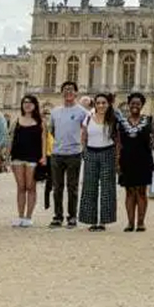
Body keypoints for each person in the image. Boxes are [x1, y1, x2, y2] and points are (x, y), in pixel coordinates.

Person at [117, 92, 154, 232]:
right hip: (126, 159)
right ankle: (130, 223)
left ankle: (141, 222)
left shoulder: (149, 120)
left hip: (143, 159)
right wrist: (117, 161)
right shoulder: (122, 122)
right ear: (128, 104)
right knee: (129, 191)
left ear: (142, 105)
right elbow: (118, 143)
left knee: (142, 191)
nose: (135, 106)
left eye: (138, 103)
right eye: (132, 103)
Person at [49, 81, 90, 228]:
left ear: (76, 93)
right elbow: (52, 131)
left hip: (74, 153)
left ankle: (72, 217)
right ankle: (58, 216)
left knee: (72, 187)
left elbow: (86, 131)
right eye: (65, 90)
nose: (68, 92)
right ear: (62, 93)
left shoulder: (82, 112)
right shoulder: (55, 111)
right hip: (57, 153)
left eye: (71, 90)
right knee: (57, 187)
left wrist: (80, 145)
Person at [79, 93, 119, 231]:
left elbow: (118, 139)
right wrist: (83, 150)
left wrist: (118, 157)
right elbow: (83, 135)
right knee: (89, 187)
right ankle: (91, 220)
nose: (101, 105)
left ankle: (103, 221)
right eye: (98, 103)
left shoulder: (113, 119)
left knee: (107, 188)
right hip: (91, 152)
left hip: (108, 152)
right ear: (95, 104)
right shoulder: (88, 118)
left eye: (104, 103)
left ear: (108, 104)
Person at [9, 95, 46, 227]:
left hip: (33, 157)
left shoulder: (40, 121)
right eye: (25, 102)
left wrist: (43, 157)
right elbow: (11, 139)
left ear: (35, 105)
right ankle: (20, 216)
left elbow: (43, 140)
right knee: (21, 187)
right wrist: (7, 156)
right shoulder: (17, 120)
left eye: (30, 102)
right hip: (17, 156)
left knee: (31, 187)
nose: (27, 104)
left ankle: (28, 217)